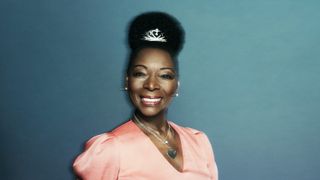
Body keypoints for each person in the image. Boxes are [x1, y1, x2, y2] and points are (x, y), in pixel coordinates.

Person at [73, 12, 218, 180]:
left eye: (165, 76)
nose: (151, 85)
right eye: (140, 73)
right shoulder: (110, 150)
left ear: (176, 85)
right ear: (127, 81)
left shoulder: (199, 143)